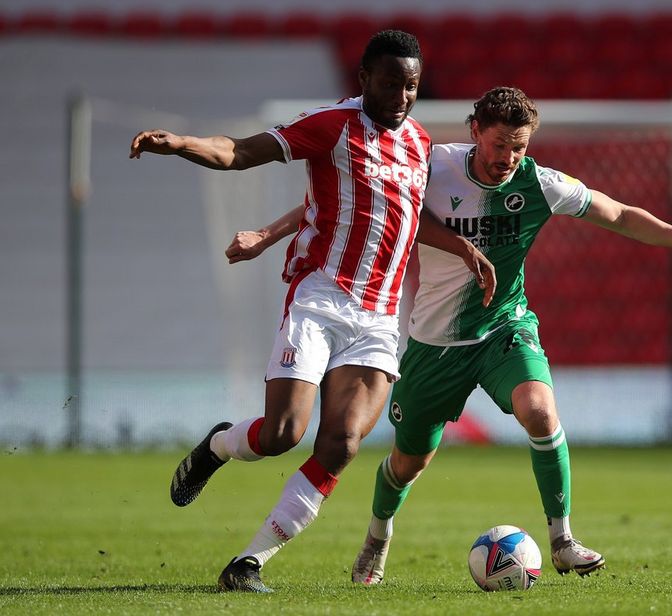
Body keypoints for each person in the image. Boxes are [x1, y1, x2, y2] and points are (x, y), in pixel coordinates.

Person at [233, 86, 672, 583]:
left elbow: (619, 213)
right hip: (434, 346)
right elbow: (342, 201)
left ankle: (562, 540)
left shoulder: (540, 183)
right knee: (409, 462)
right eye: (500, 145)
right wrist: (264, 235)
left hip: (504, 327)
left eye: (519, 147)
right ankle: (378, 534)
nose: (509, 158)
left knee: (539, 410)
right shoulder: (430, 166)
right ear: (475, 132)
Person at [128, 30, 494, 593]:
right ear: (364, 79)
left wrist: (463, 248)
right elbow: (241, 151)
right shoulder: (332, 126)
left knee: (342, 444)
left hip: (377, 318)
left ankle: (247, 564)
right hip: (320, 297)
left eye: (412, 86)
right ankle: (219, 445)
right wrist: (182, 144)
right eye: (392, 82)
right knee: (281, 434)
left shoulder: (418, 143)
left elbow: (401, 214)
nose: (401, 95)